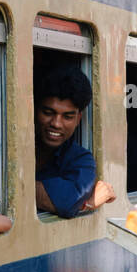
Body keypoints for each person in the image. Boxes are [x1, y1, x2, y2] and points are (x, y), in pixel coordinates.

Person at [35, 65, 114, 217]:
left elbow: (68, 202)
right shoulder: (8, 149)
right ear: (34, 110)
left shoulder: (80, 160)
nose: (56, 123)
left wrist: (15, 186)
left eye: (67, 116)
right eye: (48, 113)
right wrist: (85, 203)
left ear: (78, 119)